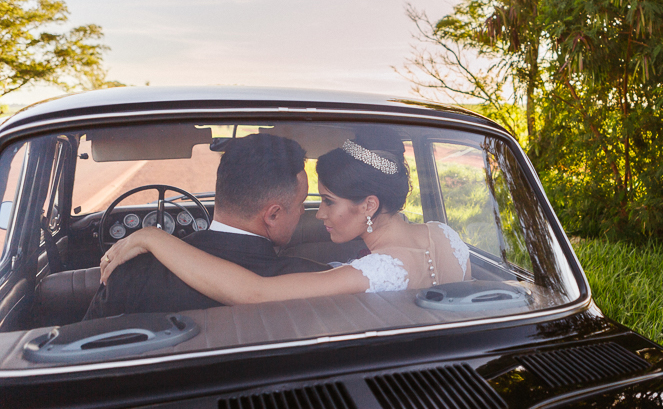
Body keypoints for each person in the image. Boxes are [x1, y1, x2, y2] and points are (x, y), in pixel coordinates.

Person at [99, 127, 471, 305]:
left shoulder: (369, 273)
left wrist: (153, 236)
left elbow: (255, 292)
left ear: (369, 205)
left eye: (327, 201)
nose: (319, 213)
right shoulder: (445, 236)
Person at [85, 133, 329, 319]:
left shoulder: (130, 272)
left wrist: (150, 237)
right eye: (301, 203)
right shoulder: (313, 281)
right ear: (273, 215)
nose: (303, 212)